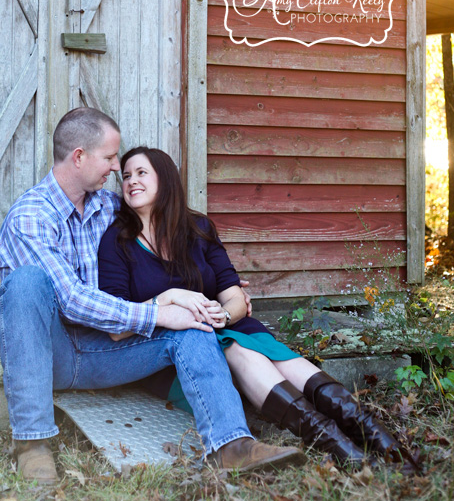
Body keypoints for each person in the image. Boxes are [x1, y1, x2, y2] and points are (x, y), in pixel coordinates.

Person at [0, 108, 307, 485]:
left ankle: (231, 445)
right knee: (26, 282)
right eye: (110, 157)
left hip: (107, 351)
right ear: (79, 157)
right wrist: (160, 309)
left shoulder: (109, 207)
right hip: (53, 354)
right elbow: (72, 299)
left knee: (190, 325)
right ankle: (33, 445)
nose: (116, 168)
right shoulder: (30, 216)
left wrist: (216, 295)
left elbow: (161, 234)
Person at [98, 146, 404, 465]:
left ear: (166, 179)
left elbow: (234, 295)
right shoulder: (117, 241)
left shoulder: (197, 229)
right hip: (177, 349)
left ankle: (383, 442)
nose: (131, 181)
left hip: (225, 327)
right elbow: (116, 319)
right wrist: (169, 298)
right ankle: (342, 450)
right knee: (238, 348)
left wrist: (225, 313)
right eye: (126, 176)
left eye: (141, 173)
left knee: (281, 359)